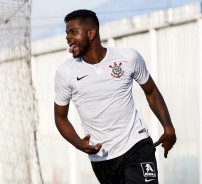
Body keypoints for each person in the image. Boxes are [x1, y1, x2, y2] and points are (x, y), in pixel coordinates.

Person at [54, 9, 177, 184]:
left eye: (73, 32)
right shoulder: (65, 72)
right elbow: (60, 117)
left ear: (91, 33)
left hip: (136, 145)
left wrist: (168, 127)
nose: (68, 37)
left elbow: (152, 92)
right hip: (102, 158)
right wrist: (78, 143)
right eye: (67, 33)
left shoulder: (128, 58)